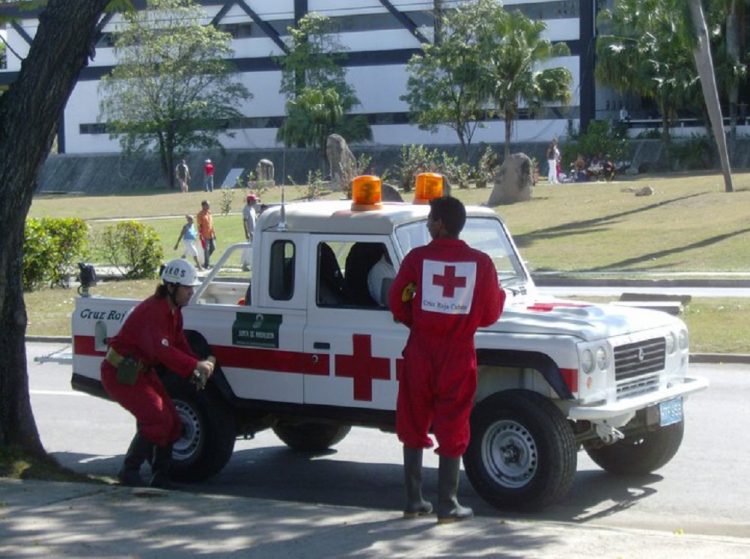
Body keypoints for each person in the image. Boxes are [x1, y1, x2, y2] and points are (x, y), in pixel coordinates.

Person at [388, 196, 505, 524]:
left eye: (430, 219)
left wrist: (416, 319)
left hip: (421, 350)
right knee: (453, 420)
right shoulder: (481, 264)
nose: (427, 224)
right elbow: (491, 313)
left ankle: (413, 501)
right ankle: (448, 504)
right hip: (457, 352)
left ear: (440, 224)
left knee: (412, 418)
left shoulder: (417, 260)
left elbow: (397, 299)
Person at [100, 259, 215, 488]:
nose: (191, 292)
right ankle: (129, 471)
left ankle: (161, 476)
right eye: (187, 287)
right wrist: (194, 366)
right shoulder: (154, 311)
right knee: (156, 419)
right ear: (171, 287)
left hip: (140, 372)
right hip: (121, 372)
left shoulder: (173, 312)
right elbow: (162, 351)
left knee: (172, 421)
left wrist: (196, 365)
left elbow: (179, 344)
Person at [241, 194, 259, 272]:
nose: (255, 201)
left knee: (250, 248)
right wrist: (247, 232)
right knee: (249, 248)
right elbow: (244, 221)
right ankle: (245, 264)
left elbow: (255, 219)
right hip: (250, 231)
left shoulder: (252, 209)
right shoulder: (246, 209)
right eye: (254, 200)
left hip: (254, 231)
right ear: (250, 201)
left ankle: (247, 264)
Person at [197, 200, 216, 269]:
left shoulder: (209, 213)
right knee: (206, 249)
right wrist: (200, 235)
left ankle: (206, 259)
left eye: (209, 205)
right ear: (203, 206)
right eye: (207, 205)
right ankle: (206, 264)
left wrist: (214, 233)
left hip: (211, 234)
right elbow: (199, 225)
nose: (209, 206)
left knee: (213, 247)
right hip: (204, 235)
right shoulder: (200, 214)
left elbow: (211, 224)